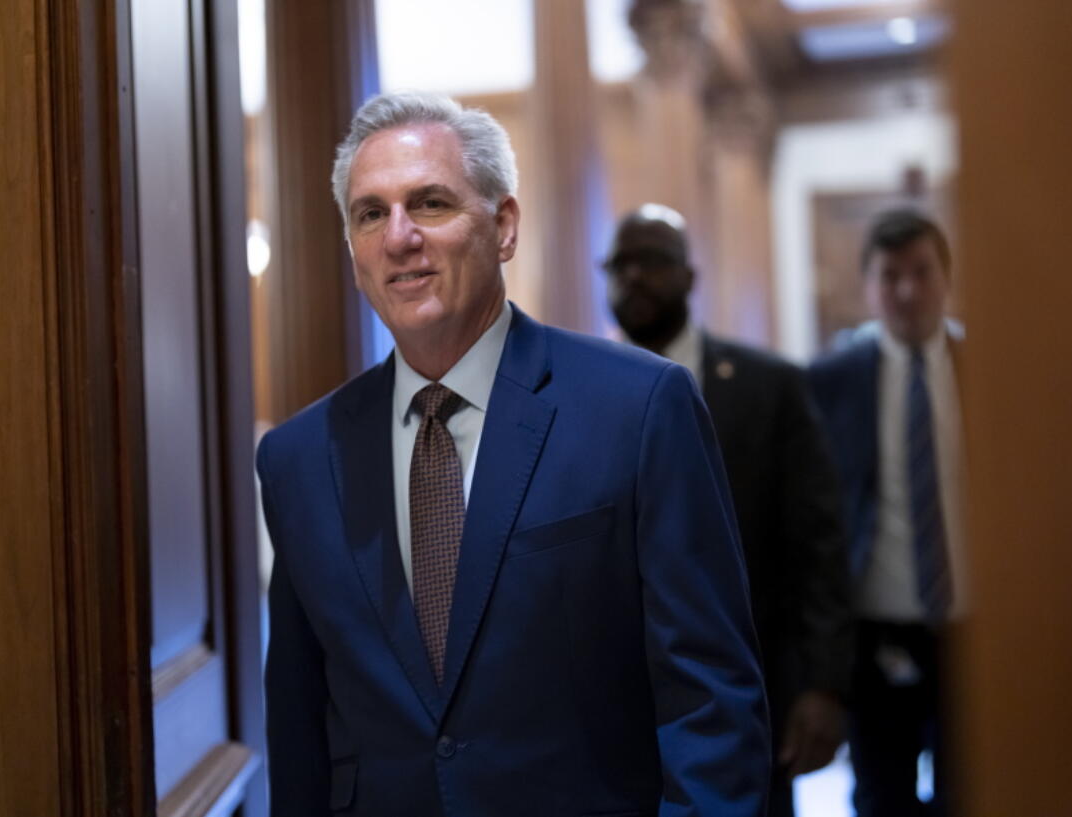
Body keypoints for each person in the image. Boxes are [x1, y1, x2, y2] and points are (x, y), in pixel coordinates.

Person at [256, 92, 771, 816]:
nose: (399, 237)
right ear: (353, 250)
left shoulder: (640, 408)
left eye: (430, 203)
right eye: (370, 214)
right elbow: (301, 725)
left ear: (503, 227)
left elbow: (710, 701)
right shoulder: (298, 459)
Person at [603, 204, 852, 817]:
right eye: (620, 265)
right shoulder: (577, 394)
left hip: (749, 694)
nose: (634, 277)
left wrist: (823, 685)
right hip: (613, 707)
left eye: (654, 262)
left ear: (691, 276)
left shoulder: (771, 388)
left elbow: (818, 545)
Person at [808, 208, 965, 817]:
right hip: (877, 637)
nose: (907, 290)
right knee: (881, 798)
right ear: (868, 285)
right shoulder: (831, 381)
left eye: (922, 272)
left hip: (975, 631)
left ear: (946, 277)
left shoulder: (994, 372)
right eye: (890, 275)